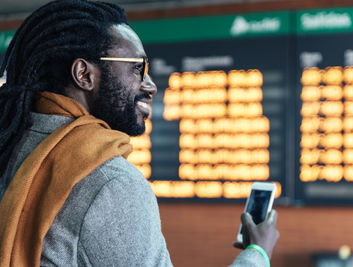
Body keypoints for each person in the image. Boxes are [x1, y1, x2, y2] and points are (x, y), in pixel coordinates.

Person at [0, 0, 279, 266]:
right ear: (84, 75)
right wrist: (257, 253)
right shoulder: (110, 182)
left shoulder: (10, 147)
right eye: (137, 68)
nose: (150, 85)